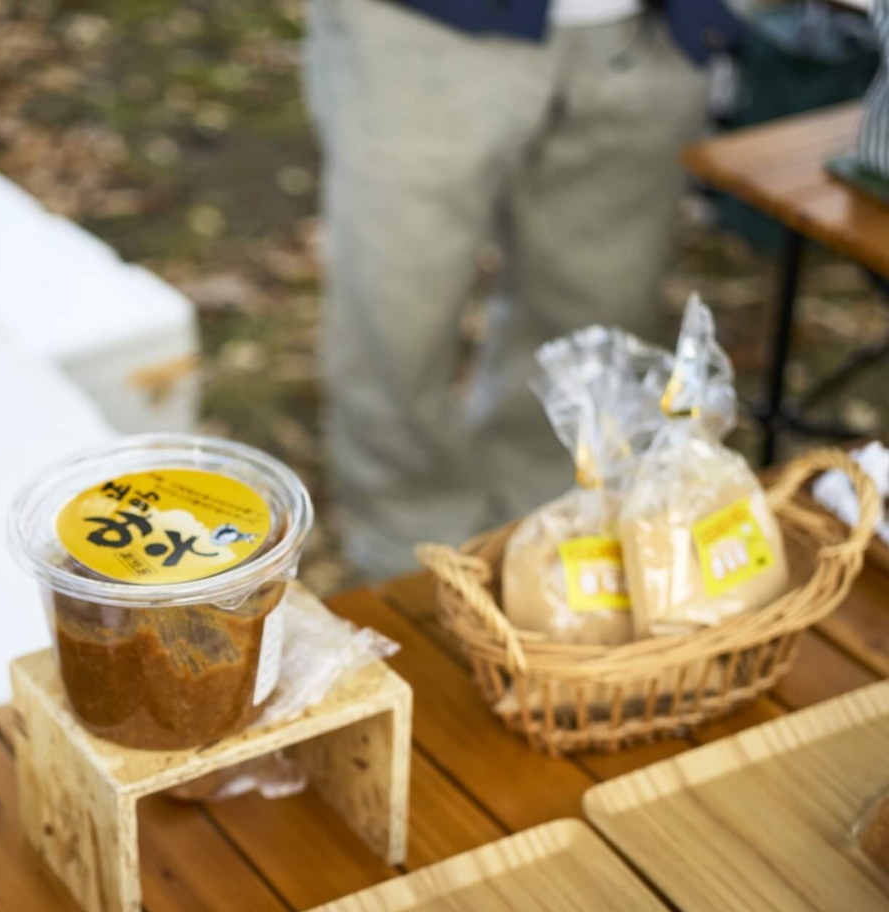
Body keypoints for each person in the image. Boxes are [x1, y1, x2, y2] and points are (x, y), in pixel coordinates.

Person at [307, 0, 743, 579]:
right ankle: (410, 565)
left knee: (597, 322)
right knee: (395, 324)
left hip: (649, 37)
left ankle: (545, 543)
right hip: (420, 28)